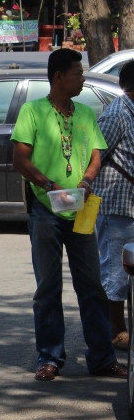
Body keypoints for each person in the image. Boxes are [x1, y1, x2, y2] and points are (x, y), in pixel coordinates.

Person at [11, 48, 127, 381]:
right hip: (46, 211)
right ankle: (49, 357)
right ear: (59, 76)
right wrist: (45, 183)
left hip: (79, 210)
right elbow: (20, 159)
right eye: (78, 73)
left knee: (91, 285)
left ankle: (102, 358)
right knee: (47, 287)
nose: (82, 79)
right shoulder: (33, 111)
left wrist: (88, 180)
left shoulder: (86, 113)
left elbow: (95, 155)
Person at [92, 58, 134, 351]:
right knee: (115, 272)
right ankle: (115, 331)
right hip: (116, 206)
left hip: (130, 206)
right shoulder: (118, 113)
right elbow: (94, 156)